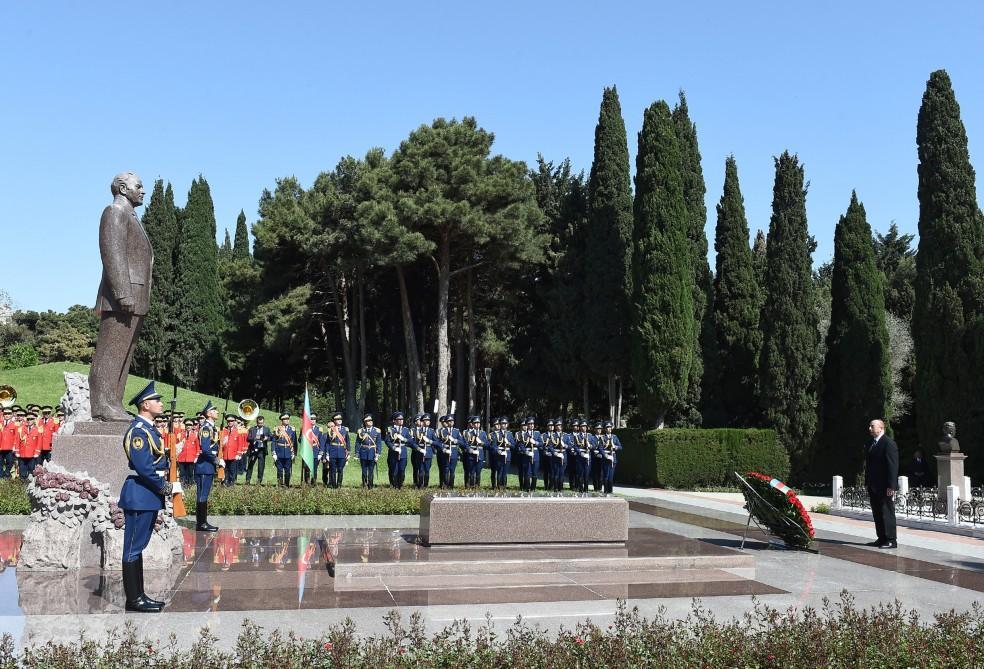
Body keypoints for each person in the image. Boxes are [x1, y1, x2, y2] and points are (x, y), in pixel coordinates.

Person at [90, 173, 153, 422]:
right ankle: (103, 404)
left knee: (124, 354)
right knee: (110, 352)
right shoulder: (115, 211)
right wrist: (123, 293)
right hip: (122, 298)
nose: (143, 190)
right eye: (139, 186)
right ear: (123, 188)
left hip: (135, 297)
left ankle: (113, 401)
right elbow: (112, 254)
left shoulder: (130, 215)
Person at [117, 381, 171, 612]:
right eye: (156, 400)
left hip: (146, 494)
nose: (161, 403)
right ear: (145, 404)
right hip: (140, 492)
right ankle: (133, 599)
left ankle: (139, 595)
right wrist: (163, 486)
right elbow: (144, 467)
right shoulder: (138, 432)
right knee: (132, 548)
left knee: (138, 547)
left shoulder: (148, 429)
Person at [864, 419, 898, 549]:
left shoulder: (888, 443)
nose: (870, 428)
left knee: (887, 511)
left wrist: (892, 486)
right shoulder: (870, 443)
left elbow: (892, 466)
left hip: (885, 485)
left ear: (881, 428)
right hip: (873, 485)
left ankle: (891, 539)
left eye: (872, 426)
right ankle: (881, 537)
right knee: (877, 512)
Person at [194, 401, 220, 533]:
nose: (217, 412)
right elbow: (205, 449)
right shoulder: (206, 428)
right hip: (204, 466)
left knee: (203, 495)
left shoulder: (211, 428)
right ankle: (201, 524)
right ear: (209, 414)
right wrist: (217, 460)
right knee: (202, 495)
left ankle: (202, 522)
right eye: (214, 410)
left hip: (207, 466)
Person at [385, 412, 411, 489]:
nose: (401, 420)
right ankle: (394, 485)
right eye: (399, 419)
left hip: (403, 452)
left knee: (402, 470)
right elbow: (387, 441)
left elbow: (411, 441)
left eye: (402, 419)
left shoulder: (406, 430)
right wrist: (394, 448)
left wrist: (404, 439)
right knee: (394, 470)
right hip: (393, 452)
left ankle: (400, 484)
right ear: (394, 420)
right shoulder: (390, 429)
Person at [514, 417, 541, 492]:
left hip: (535, 455)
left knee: (535, 473)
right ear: (527, 425)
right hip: (527, 455)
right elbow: (521, 445)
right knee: (527, 473)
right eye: (529, 424)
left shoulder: (537, 433)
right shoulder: (523, 434)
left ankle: (533, 488)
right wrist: (527, 452)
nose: (531, 425)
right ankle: (528, 488)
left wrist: (535, 442)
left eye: (532, 424)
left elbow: (541, 444)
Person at [324, 412, 349, 488]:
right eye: (337, 419)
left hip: (342, 452)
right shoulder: (331, 430)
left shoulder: (345, 429)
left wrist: (348, 453)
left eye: (340, 419)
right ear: (334, 421)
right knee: (332, 470)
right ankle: (334, 485)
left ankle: (339, 485)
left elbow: (347, 442)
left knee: (340, 469)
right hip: (333, 452)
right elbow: (328, 443)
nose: (339, 420)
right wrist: (327, 453)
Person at [357, 414, 382, 488]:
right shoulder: (361, 431)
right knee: (364, 470)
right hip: (363, 452)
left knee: (371, 470)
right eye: (368, 420)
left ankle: (370, 485)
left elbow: (379, 443)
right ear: (365, 422)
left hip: (372, 452)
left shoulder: (377, 431)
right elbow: (358, 443)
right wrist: (357, 453)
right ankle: (364, 484)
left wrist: (378, 454)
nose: (370, 422)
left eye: (371, 420)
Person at [488, 416, 514, 490]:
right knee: (500, 472)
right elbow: (494, 446)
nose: (503, 425)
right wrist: (498, 451)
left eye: (505, 423)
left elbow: (513, 445)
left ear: (507, 424)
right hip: (499, 456)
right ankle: (499, 487)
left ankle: (504, 487)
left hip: (507, 455)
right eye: (502, 423)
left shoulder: (510, 434)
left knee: (505, 472)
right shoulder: (496, 434)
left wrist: (508, 443)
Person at [461, 416, 487, 488]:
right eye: (475, 423)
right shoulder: (469, 433)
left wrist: (481, 442)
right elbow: (465, 444)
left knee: (478, 472)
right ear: (472, 424)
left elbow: (487, 444)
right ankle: (471, 487)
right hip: (471, 455)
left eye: (478, 423)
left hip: (480, 455)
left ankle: (477, 487)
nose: (477, 424)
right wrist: (471, 450)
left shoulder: (483, 433)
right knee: (471, 472)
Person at [597, 420, 621, 494]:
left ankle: (610, 492)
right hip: (606, 458)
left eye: (610, 427)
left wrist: (615, 447)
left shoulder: (615, 437)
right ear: (605, 429)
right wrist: (605, 455)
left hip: (613, 458)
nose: (609, 429)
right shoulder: (602, 437)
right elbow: (600, 448)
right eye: (607, 427)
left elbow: (620, 446)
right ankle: (606, 491)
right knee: (606, 476)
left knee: (611, 477)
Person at [245, 415, 271, 484]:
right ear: (257, 422)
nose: (260, 424)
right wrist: (255, 437)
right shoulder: (252, 429)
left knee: (261, 466)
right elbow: (248, 439)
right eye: (259, 423)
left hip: (262, 450)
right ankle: (247, 480)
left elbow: (271, 437)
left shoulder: (267, 429)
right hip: (253, 449)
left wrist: (266, 438)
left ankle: (259, 481)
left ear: (263, 422)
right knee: (250, 465)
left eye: (262, 423)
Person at [273, 414, 296, 487]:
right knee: (279, 470)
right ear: (282, 420)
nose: (287, 420)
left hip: (288, 452)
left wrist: (294, 453)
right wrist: (274, 452)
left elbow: (294, 442)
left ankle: (287, 484)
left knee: (287, 470)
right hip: (279, 451)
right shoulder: (277, 429)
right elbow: (274, 441)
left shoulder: (292, 429)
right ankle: (280, 484)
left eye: (288, 419)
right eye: (285, 419)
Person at [176, 418, 198, 486]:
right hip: (182, 457)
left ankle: (190, 485)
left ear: (192, 426)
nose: (188, 426)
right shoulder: (180, 435)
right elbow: (176, 446)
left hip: (191, 457)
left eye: (190, 425)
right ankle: (183, 485)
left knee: (190, 473)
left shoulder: (196, 435)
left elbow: (198, 447)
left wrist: (196, 456)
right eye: (187, 424)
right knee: (182, 473)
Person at [0, 407, 17, 479]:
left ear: (12, 415)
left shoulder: (15, 424)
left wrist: (14, 446)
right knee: (0, 462)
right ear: (3, 414)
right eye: (5, 413)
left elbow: (16, 436)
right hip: (1, 447)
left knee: (10, 462)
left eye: (9, 413)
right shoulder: (0, 424)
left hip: (10, 448)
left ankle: (7, 473)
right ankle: (1, 475)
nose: (7, 415)